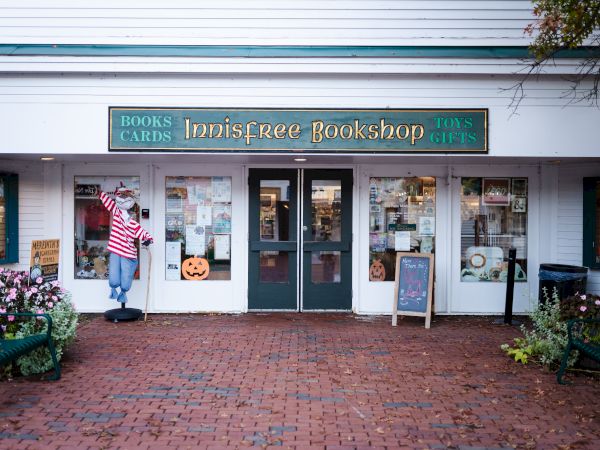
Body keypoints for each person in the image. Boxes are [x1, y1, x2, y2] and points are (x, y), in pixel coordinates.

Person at [98, 183, 153, 304]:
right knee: (113, 276)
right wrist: (101, 193)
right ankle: (114, 289)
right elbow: (109, 202)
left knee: (126, 277)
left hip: (128, 253)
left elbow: (143, 233)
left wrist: (147, 239)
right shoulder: (116, 212)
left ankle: (123, 292)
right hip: (116, 250)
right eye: (120, 195)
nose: (122, 199)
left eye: (125, 196)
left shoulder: (133, 223)